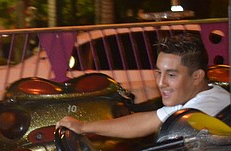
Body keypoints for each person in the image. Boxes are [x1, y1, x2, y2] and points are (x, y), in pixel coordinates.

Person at [57, 33, 230, 139]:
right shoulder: (202, 97)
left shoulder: (202, 109)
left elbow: (144, 124)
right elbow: (147, 120)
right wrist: (84, 127)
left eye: (171, 75)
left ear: (197, 76)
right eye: (158, 72)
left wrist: (83, 127)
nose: (161, 83)